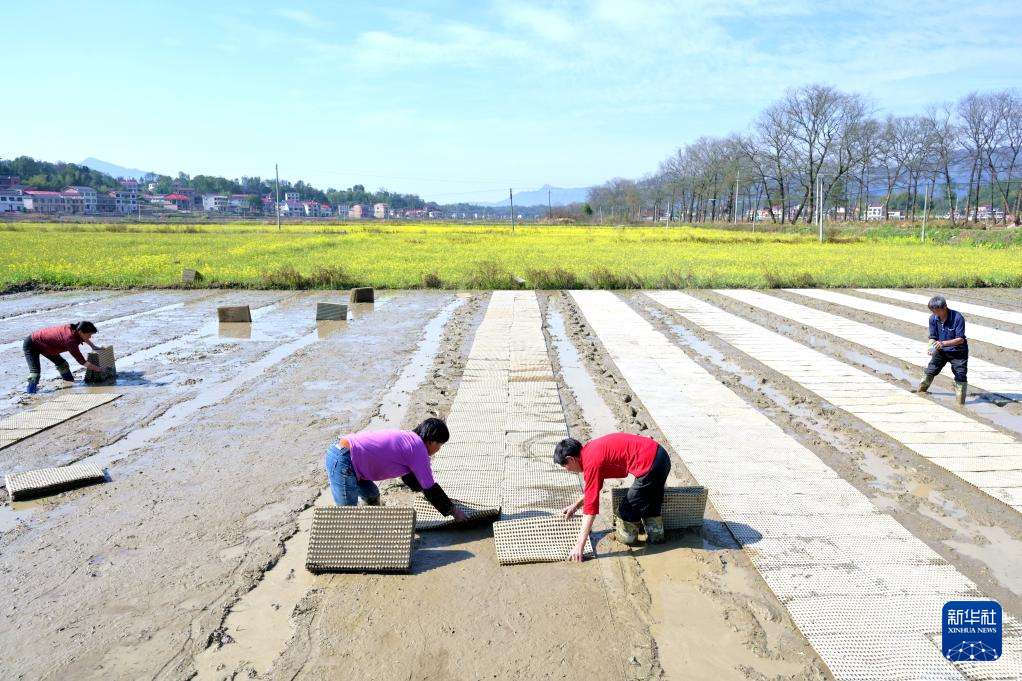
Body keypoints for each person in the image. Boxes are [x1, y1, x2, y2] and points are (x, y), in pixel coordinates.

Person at [554, 432, 672, 561]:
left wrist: (579, 546)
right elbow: (592, 490)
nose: (567, 470)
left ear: (571, 459)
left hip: (650, 466)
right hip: (661, 456)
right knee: (651, 504)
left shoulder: (591, 463)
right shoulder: (590, 449)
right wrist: (575, 506)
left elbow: (590, 509)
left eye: (565, 466)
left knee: (625, 513)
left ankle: (629, 541)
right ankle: (657, 539)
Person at [325, 417, 468, 521]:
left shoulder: (410, 439)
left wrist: (428, 495)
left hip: (350, 458)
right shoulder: (418, 449)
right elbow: (430, 487)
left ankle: (374, 523)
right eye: (440, 445)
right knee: (347, 516)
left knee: (372, 496)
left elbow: (411, 477)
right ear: (431, 442)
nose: (439, 449)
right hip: (344, 461)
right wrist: (454, 511)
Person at [23, 321, 107, 394]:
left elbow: (84, 337)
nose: (90, 337)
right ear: (81, 332)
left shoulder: (75, 329)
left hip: (47, 346)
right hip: (32, 344)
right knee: (35, 372)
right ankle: (30, 393)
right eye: (89, 335)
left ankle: (69, 382)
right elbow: (82, 362)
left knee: (63, 365)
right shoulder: (70, 341)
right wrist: (99, 369)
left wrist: (93, 346)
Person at [914, 295, 968, 405]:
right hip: (941, 350)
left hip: (958, 351)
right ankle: (921, 391)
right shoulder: (933, 318)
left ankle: (960, 402)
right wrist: (930, 348)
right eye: (933, 311)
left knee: (960, 374)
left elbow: (960, 339)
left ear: (945, 307)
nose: (936, 314)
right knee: (931, 370)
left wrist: (943, 343)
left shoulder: (957, 317)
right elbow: (932, 336)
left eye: (938, 311)